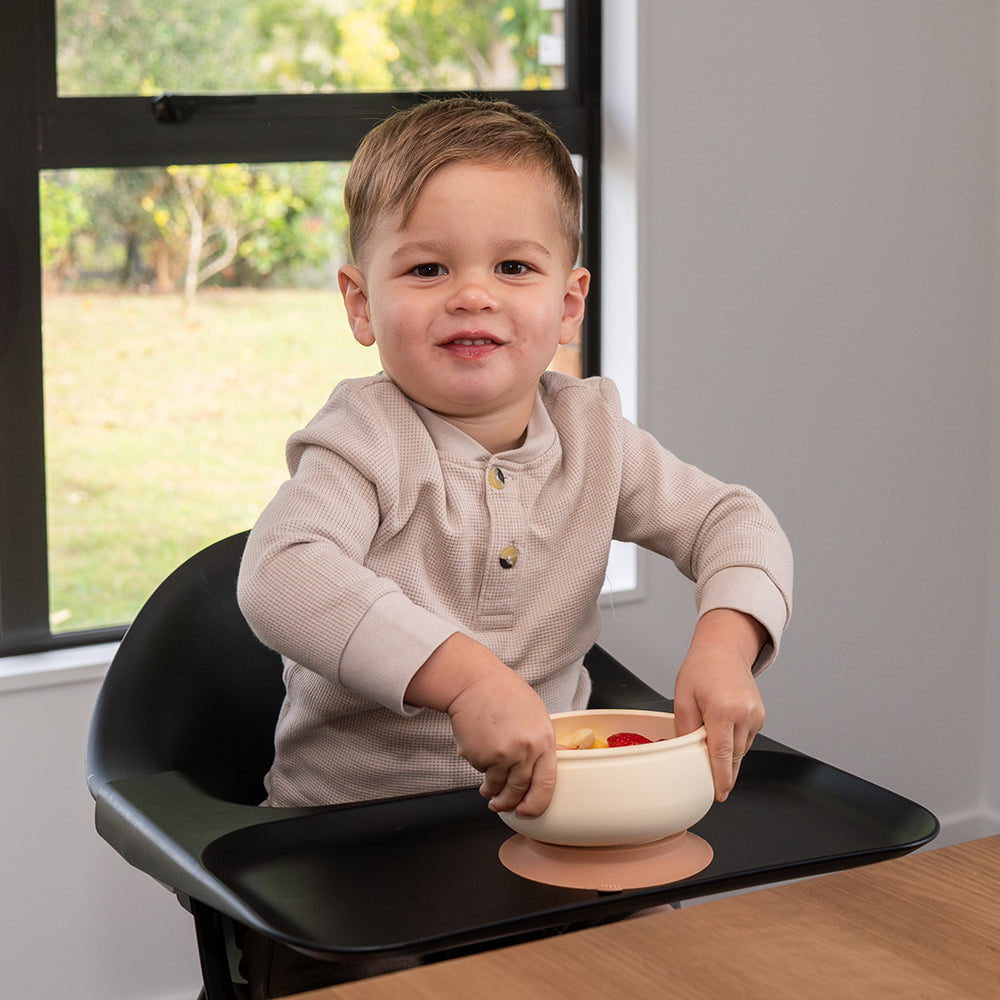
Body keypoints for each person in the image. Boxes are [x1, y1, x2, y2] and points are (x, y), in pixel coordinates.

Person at [236, 96, 792, 996]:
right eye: (425, 267)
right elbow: (281, 575)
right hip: (353, 857)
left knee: (672, 968)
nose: (472, 293)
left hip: (561, 824)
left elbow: (736, 520)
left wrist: (727, 647)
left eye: (513, 265)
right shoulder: (362, 441)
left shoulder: (595, 434)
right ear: (359, 301)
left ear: (568, 302)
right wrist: (470, 678)